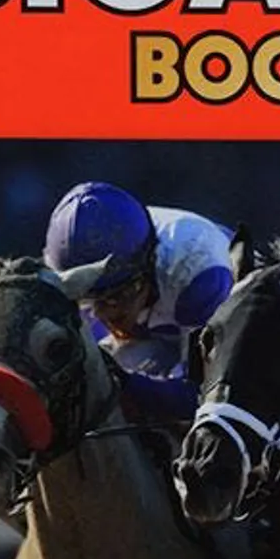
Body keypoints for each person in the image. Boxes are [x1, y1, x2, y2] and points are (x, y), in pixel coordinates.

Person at [43, 180, 234, 420]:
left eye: (115, 296)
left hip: (234, 338)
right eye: (86, 298)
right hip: (165, 328)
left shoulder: (200, 274)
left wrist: (125, 384)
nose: (101, 314)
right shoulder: (70, 270)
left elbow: (206, 399)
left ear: (150, 261)